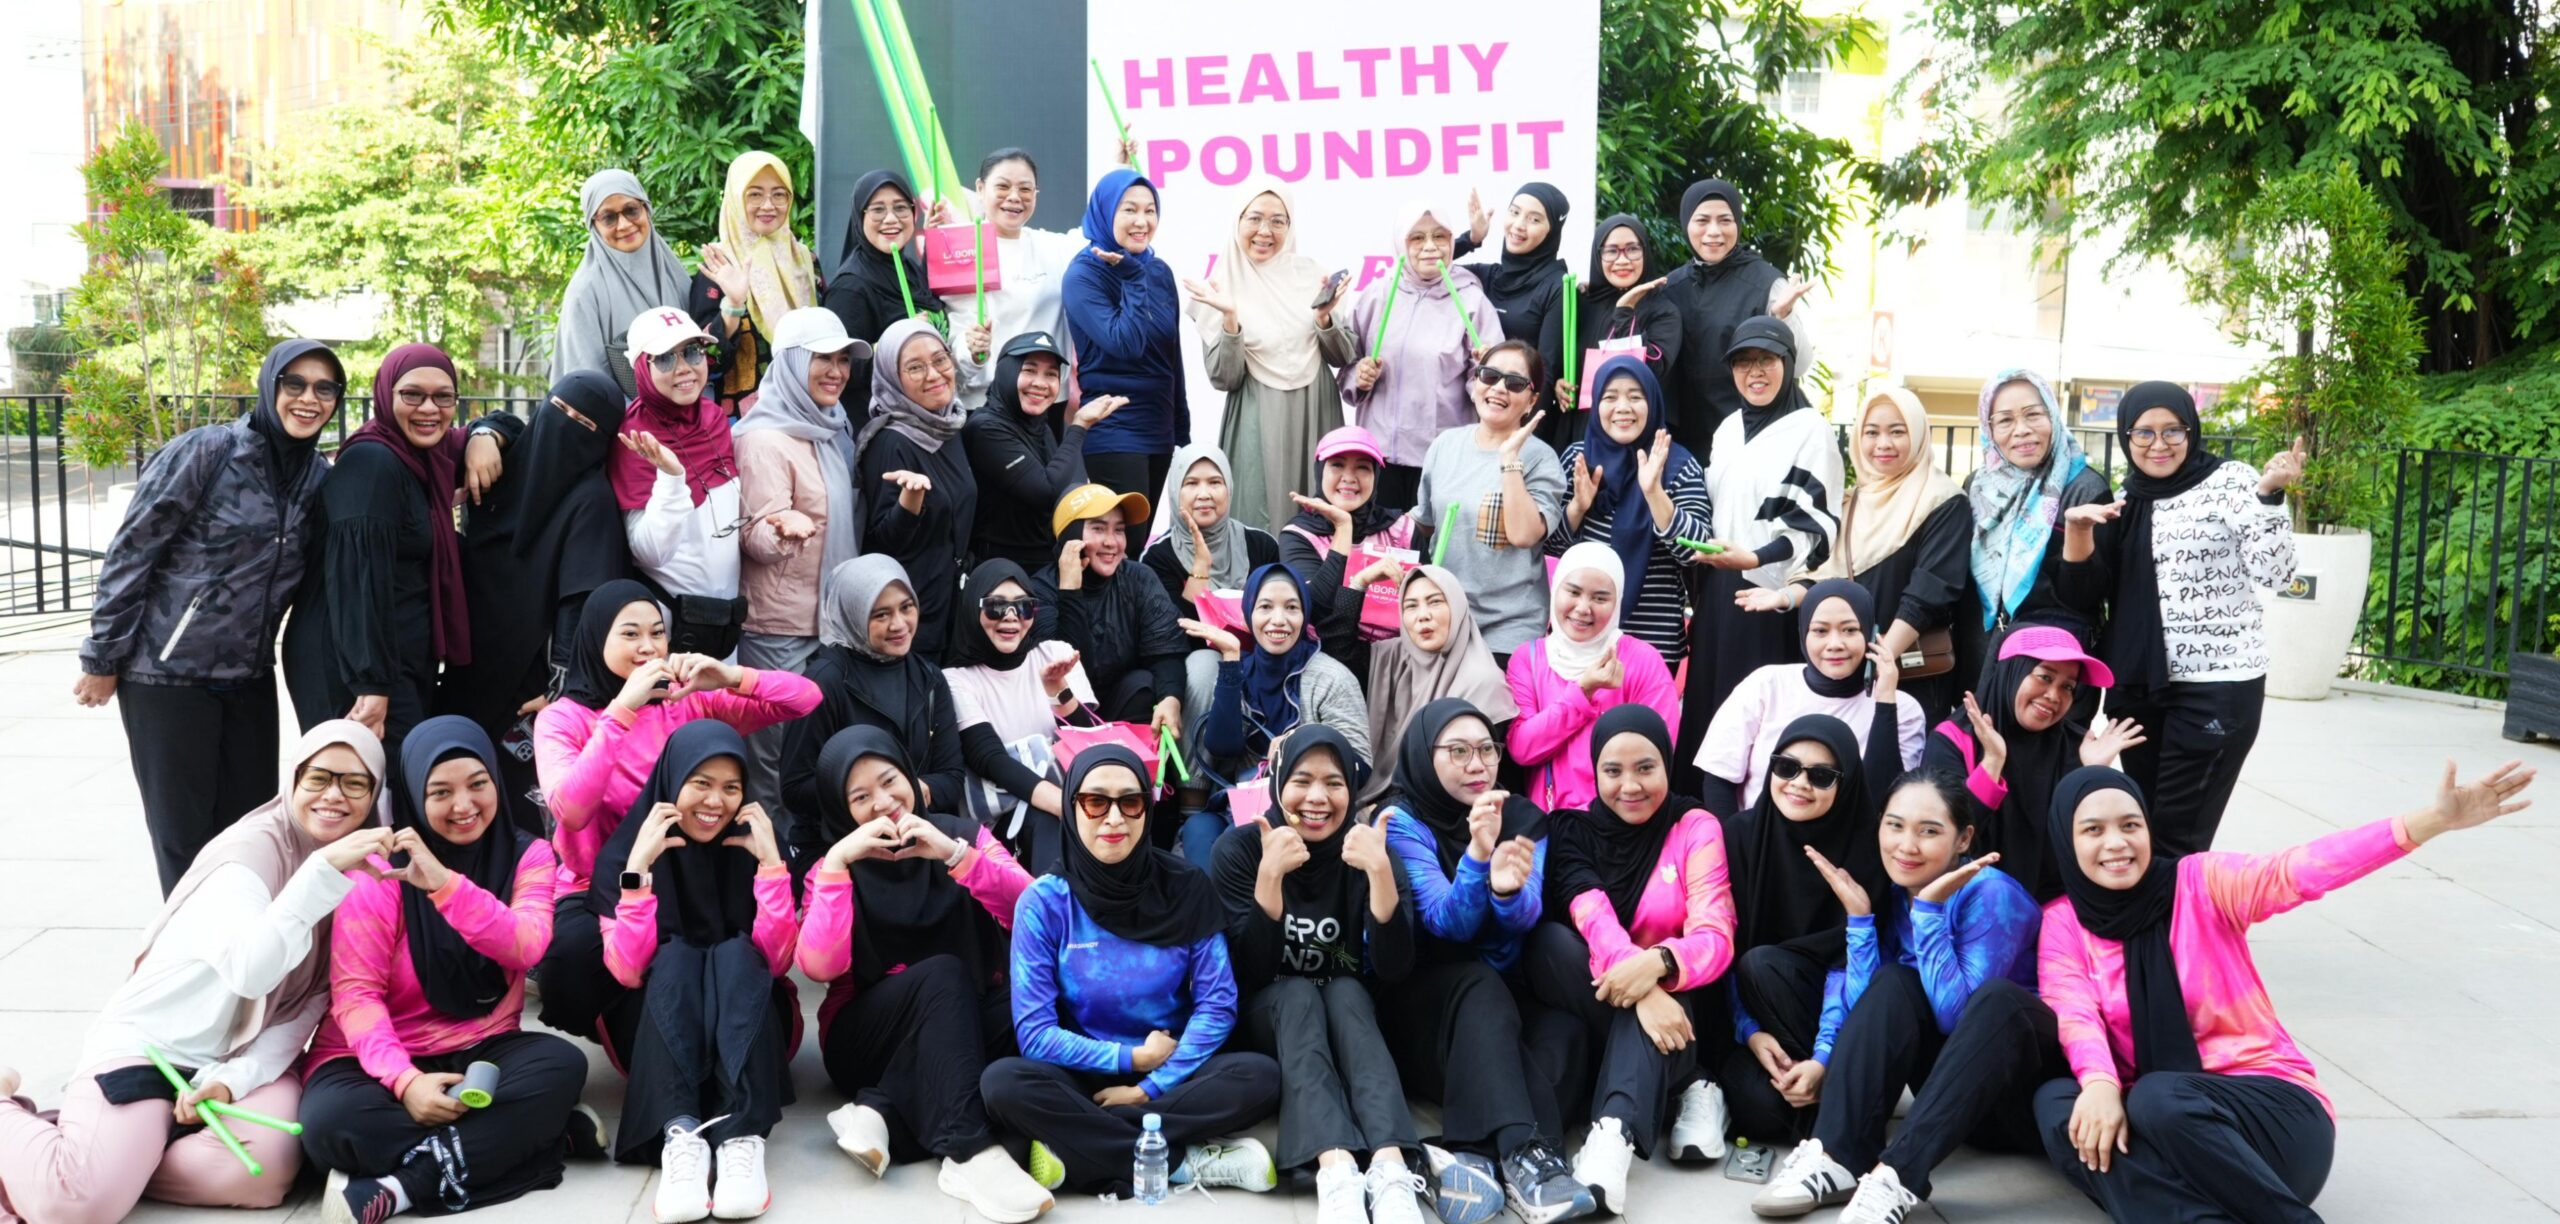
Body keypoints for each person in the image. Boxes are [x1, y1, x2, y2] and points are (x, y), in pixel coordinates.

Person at [2032, 760, 2536, 1222]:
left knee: (2158, 1096)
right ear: (2066, 842)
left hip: (2274, 1126)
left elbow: (2302, 869)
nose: (2117, 843)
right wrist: (2100, 1082)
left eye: (2130, 825)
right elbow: (2073, 1011)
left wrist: (2429, 822)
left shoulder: (2201, 884)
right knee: (2058, 1102)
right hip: (2175, 1137)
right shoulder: (2064, 923)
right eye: (2093, 830)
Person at [0, 722, 395, 1223]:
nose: (333, 795)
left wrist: (231, 1080)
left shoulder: (360, 875)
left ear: (374, 795)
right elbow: (251, 972)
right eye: (318, 778)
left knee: (262, 1176)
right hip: (154, 1047)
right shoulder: (245, 859)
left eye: (355, 783)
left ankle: (117, 1155)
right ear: (293, 781)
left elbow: (303, 1014)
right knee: (75, 1205)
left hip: (240, 1057)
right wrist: (319, 873)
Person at [299, 717, 593, 1221]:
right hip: (372, 1059)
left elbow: (526, 946)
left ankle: (403, 1185)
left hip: (480, 1045)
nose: (464, 805)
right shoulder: (379, 869)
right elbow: (357, 995)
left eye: (478, 784)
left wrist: (443, 885)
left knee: (561, 1065)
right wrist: (405, 1082)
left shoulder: (528, 856)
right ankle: (534, 1139)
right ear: (415, 794)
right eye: (440, 792)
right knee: (330, 1125)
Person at [77, 338, 342, 893]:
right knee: (184, 839)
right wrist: (102, 657)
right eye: (294, 384)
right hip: (168, 678)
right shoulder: (209, 450)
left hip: (249, 678)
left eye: (325, 388)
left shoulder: (316, 476)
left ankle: (240, 941)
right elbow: (132, 552)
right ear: (269, 387)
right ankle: (187, 944)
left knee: (249, 835)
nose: (309, 399)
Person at [1749, 769, 2055, 1223]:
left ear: (1963, 839)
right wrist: (1859, 921)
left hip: (2014, 1099)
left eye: (1929, 831)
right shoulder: (1896, 891)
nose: (1906, 845)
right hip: (1948, 1102)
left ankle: (1897, 1176)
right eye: (1895, 825)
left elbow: (1957, 1017)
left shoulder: (1991, 893)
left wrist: (1929, 913)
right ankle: (1836, 1156)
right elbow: (1867, 1001)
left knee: (1996, 999)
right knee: (1892, 980)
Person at [979, 746, 1283, 1198]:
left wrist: (1149, 1086)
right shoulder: (1044, 903)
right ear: (1072, 807)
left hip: (1172, 1068)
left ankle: (1079, 1146)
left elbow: (1218, 1005)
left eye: (1131, 802)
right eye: (1095, 802)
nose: (1114, 818)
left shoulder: (1185, 887)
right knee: (1002, 1084)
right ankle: (1181, 1161)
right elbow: (1036, 1035)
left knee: (1260, 1077)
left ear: (1147, 808)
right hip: (1083, 1070)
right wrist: (1132, 1059)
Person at [531, 581, 820, 1041]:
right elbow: (571, 811)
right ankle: (625, 1028)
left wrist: (730, 677)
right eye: (630, 634)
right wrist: (623, 710)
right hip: (599, 886)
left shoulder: (688, 698)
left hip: (694, 875)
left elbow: (806, 698)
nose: (648, 647)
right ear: (596, 639)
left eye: (657, 633)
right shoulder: (563, 719)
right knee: (569, 967)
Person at [794, 727, 1055, 1223]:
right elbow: (819, 965)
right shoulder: (830, 866)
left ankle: (882, 1111)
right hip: (866, 1038)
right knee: (942, 975)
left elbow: (1035, 913)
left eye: (890, 780)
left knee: (1037, 1006)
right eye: (860, 797)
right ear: (840, 808)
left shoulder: (963, 835)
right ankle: (969, 1151)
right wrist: (839, 861)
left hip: (961, 1022)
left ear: (910, 776)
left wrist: (955, 856)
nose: (883, 802)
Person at [1373, 699, 1596, 1224]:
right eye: (1458, 751)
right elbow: (1444, 922)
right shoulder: (1400, 822)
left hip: (1500, 1010)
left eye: (1487, 750)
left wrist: (1506, 891)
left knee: (1566, 1033)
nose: (1478, 764)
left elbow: (1526, 917)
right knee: (1478, 982)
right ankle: (1525, 1158)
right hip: (1428, 1009)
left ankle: (1474, 1158)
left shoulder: (1521, 816)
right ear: (1425, 755)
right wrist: (1476, 858)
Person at [2059, 381, 2301, 855]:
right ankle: (2153, 906)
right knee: (2143, 826)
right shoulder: (2125, 500)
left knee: (2177, 837)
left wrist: (2269, 495)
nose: (2159, 444)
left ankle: (2175, 906)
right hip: (2139, 691)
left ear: (2191, 430)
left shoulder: (2231, 481)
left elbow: (2277, 573)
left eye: (2173, 430)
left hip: (2217, 687)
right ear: (2126, 437)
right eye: (2143, 433)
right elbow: (2083, 594)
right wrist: (2078, 530)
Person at [1209, 727, 1432, 1224]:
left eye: (1334, 783)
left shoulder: (1367, 849)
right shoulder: (1240, 849)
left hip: (1349, 1018)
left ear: (1351, 790)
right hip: (1270, 1017)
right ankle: (1336, 1172)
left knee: (1347, 988)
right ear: (1278, 783)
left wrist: (1380, 877)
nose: (1317, 797)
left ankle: (1391, 1169)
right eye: (1302, 780)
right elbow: (1247, 973)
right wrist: (1270, 879)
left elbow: (1395, 970)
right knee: (1296, 994)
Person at [1523, 706, 1735, 1215]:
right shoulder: (1572, 828)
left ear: (1667, 765)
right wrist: (1644, 993)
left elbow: (1716, 933)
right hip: (1613, 999)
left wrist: (1658, 964)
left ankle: (1611, 1140)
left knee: (1667, 998)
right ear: (1595, 772)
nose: (1630, 786)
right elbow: (1591, 916)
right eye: (1613, 771)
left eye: (1646, 767)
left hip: (1684, 1004)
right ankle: (1692, 1082)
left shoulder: (1694, 826)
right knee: (1551, 943)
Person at [591, 723, 799, 1223]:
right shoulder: (627, 852)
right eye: (700, 783)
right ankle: (680, 1135)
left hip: (748, 1023)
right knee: (676, 956)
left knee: (737, 954)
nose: (715, 802)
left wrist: (771, 867)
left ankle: (740, 1135)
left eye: (731, 787)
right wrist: (639, 872)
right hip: (661, 1029)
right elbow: (628, 970)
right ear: (671, 781)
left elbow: (777, 962)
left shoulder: (757, 845)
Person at [284, 343, 510, 754]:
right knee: (364, 782)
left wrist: (483, 435)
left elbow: (515, 425)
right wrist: (371, 684)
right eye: (412, 394)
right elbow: (357, 582)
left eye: (443, 397)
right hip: (351, 664)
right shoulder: (371, 464)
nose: (429, 408)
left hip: (397, 657)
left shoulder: (427, 457)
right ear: (386, 395)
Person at [439, 369, 631, 827]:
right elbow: (504, 423)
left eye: (585, 425)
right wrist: (484, 432)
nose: (565, 426)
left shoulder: (590, 501)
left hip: (529, 676)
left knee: (513, 802)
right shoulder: (504, 463)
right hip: (469, 661)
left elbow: (580, 600)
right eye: (559, 409)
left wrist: (563, 690)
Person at [1714, 714, 1894, 1146]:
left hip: (1839, 1021)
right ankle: (1826, 1105)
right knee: (1759, 1109)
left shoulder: (1869, 852)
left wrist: (1824, 1057)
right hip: (1761, 1022)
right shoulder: (1739, 837)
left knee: (1762, 964)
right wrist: (1750, 1033)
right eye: (1787, 767)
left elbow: (1859, 975)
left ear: (1845, 784)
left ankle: (1834, 1093)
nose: (1799, 784)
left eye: (1821, 776)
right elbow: (1722, 949)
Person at [1747, 387, 1970, 725]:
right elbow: (1825, 574)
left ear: (1918, 434)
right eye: (1872, 432)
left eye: (1898, 432)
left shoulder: (1943, 501)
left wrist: (1880, 661)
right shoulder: (1851, 502)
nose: (1883, 444)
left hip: (1907, 674)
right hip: (1846, 669)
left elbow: (1929, 593)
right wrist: (1783, 597)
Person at [1679, 317, 1842, 770]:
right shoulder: (1728, 428)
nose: (1755, 372)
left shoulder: (1811, 429)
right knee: (1709, 710)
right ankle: (1701, 808)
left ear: (1788, 363)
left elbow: (1814, 524)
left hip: (1771, 598)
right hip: (1717, 592)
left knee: (1756, 718)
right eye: (1743, 361)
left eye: (1767, 359)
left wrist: (1753, 558)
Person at [732, 307, 870, 811]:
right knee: (774, 757)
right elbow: (752, 537)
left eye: (843, 360)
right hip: (779, 629)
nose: (837, 371)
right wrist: (782, 532)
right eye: (822, 359)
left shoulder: (832, 427)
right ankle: (771, 852)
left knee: (819, 752)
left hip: (830, 623)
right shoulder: (763, 439)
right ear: (791, 363)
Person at [779, 557, 983, 878]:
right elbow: (794, 789)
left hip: (916, 839)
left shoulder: (928, 678)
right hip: (839, 847)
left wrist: (908, 793)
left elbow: (951, 778)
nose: (899, 624)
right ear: (854, 615)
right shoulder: (823, 683)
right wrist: (870, 799)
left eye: (906, 607)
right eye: (881, 614)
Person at [1923, 622, 2143, 902]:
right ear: (2011, 672)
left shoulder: (2077, 745)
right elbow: (1944, 838)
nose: (2054, 696)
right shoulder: (1953, 739)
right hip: (1971, 902)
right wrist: (1992, 763)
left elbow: (2090, 846)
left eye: (2067, 687)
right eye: (2044, 677)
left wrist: (2091, 774)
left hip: (2057, 907)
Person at [1182, 181, 1357, 530]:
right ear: (1238, 220)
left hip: (1315, 407)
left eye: (1278, 221)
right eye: (1255, 218)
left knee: (1319, 514)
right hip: (1256, 412)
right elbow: (1224, 378)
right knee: (1258, 517)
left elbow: (1343, 355)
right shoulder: (1219, 284)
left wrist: (1324, 319)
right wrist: (1230, 319)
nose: (1265, 231)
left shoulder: (1310, 274)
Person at [1177, 564, 1373, 865]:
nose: (1279, 620)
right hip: (1245, 804)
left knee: (1237, 848)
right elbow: (1222, 747)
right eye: (1265, 607)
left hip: (1310, 808)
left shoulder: (1332, 678)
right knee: (1198, 830)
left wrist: (1301, 748)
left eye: (1292, 607)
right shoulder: (1240, 669)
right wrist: (1230, 660)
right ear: (1248, 613)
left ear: (1304, 614)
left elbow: (1362, 767)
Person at [1694, 580, 1926, 816]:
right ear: (1803, 632)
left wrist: (1885, 703)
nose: (1835, 644)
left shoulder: (1901, 708)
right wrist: (1736, 837)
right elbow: (1718, 779)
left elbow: (1886, 802)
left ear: (1871, 634)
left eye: (1850, 630)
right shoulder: (1765, 685)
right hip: (1757, 835)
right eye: (1820, 631)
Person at [1547, 356, 1711, 667]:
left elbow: (1697, 551)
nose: (1623, 407)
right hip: (1580, 636)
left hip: (1653, 642)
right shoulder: (1577, 460)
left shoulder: (1677, 465)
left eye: (1635, 397)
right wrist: (1578, 507)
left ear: (1653, 403)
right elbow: (1551, 549)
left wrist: (1654, 494)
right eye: (1610, 397)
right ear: (1596, 404)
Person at [1339, 202, 1506, 507]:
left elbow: (1492, 385)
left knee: (1431, 537)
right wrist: (1359, 377)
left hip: (1441, 458)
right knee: (1380, 537)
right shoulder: (1377, 295)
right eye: (1417, 238)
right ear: (1400, 242)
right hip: (1377, 457)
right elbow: (1347, 365)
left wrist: (1486, 374)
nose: (1430, 246)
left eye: (1440, 236)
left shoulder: (1471, 301)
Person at [1412, 339, 1569, 657]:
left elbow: (1524, 535)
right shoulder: (1445, 445)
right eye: (1490, 375)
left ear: (1532, 400)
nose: (1499, 388)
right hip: (1445, 618)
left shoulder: (1541, 458)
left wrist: (1509, 458)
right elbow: (1425, 524)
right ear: (1475, 382)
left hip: (1509, 626)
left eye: (1515, 383)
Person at [611, 308, 749, 659]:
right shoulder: (633, 436)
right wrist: (672, 478)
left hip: (723, 623)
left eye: (692, 352)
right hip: (672, 633)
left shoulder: (714, 418)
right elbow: (650, 553)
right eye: (665, 358)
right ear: (641, 368)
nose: (685, 368)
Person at [1959, 369, 2111, 680]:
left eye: (2033, 415)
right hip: (1980, 658)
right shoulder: (1978, 486)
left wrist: (2077, 533)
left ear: (2052, 415)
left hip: (2051, 671)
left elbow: (2086, 598)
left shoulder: (2084, 490)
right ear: (1989, 428)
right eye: (2005, 420)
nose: (2022, 430)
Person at [1506, 544, 1680, 813]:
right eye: (1573, 592)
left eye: (1600, 598)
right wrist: (1583, 692)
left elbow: (1657, 754)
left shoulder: (1642, 661)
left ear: (1617, 602)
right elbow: (1522, 748)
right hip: (1551, 823)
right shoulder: (1528, 658)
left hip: (1620, 821)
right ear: (1555, 589)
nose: (1583, 608)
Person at [945, 558, 1092, 874]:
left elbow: (1089, 743)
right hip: (1006, 817)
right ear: (972, 608)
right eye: (996, 607)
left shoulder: (1057, 653)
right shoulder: (956, 679)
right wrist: (1065, 806)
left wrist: (1058, 690)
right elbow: (990, 759)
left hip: (1076, 801)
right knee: (1046, 821)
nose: (1011, 616)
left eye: (1023, 607)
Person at [1654, 179, 1810, 459]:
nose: (1714, 231)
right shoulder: (1670, 287)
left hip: (1751, 441)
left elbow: (1799, 366)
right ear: (1686, 224)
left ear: (1737, 223)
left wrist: (1783, 317)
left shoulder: (1766, 283)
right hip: (1683, 448)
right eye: (1702, 220)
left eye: (1725, 220)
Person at [854, 319, 978, 658]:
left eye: (940, 360)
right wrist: (911, 502)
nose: (934, 375)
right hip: (912, 616)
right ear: (892, 378)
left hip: (953, 604)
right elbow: (882, 543)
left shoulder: (948, 425)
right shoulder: (891, 441)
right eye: (915, 367)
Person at [1062, 168, 1188, 499]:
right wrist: (1132, 278)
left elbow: (1171, 357)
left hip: (1159, 427)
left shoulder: (1159, 271)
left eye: (1150, 210)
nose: (1142, 221)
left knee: (1143, 529)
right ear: (1106, 212)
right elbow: (1126, 344)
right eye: (1129, 209)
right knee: (1124, 531)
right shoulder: (1083, 275)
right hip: (1113, 426)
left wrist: (1181, 429)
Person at [1029, 484, 1190, 734]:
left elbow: (1165, 652)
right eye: (1098, 528)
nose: (1112, 542)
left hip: (1120, 703)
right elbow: (1068, 674)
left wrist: (1171, 699)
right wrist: (1070, 590)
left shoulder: (1139, 578)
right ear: (1071, 534)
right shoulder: (1039, 590)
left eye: (1119, 530)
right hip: (1061, 712)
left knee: (1143, 684)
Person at [964, 331, 1123, 571]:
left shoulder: (1041, 426)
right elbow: (1046, 493)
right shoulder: (985, 427)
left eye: (1051, 374)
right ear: (1007, 372)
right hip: (1003, 570)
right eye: (1029, 370)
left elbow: (1073, 488)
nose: (1040, 383)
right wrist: (1079, 426)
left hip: (1047, 563)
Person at [1361, 566, 1519, 806]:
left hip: (1443, 808)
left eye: (1434, 602)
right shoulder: (1393, 657)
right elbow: (1339, 649)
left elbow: (1472, 774)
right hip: (1379, 799)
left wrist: (1391, 812)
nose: (1423, 615)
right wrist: (1359, 583)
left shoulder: (1484, 683)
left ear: (1457, 607)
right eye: (1411, 606)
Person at [945, 148, 1089, 410]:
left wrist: (1121, 166)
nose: (1014, 197)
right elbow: (958, 336)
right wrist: (973, 351)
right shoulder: (962, 248)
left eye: (1025, 189)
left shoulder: (1055, 247)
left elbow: (1102, 225)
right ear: (980, 188)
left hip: (1048, 402)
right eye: (1003, 186)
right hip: (988, 404)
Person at [1277, 425, 1417, 684]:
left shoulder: (1403, 529)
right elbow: (1316, 608)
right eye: (1337, 465)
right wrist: (1343, 527)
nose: (1349, 477)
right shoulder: (1298, 534)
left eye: (1362, 467)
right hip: (1323, 662)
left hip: (1399, 662)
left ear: (1376, 476)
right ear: (1320, 471)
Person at [688, 151, 820, 415]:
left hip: (809, 408)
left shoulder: (805, 260)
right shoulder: (719, 264)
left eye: (779, 194)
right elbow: (702, 360)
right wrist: (733, 305)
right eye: (755, 194)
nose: (768, 205)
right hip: (746, 418)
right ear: (736, 199)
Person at [1455, 183, 1572, 441]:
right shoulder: (1487, 276)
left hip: (1521, 431)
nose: (1519, 225)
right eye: (1515, 212)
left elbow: (1546, 374)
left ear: (1552, 230)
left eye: (1534, 219)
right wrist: (1471, 239)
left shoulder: (1557, 287)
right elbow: (1427, 265)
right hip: (1476, 425)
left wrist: (1520, 439)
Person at [556, 169, 692, 391]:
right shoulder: (585, 293)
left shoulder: (672, 272)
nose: (624, 225)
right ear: (593, 225)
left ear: (646, 209)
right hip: (621, 412)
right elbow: (586, 384)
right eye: (609, 218)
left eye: (631, 210)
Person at [1544, 214, 1679, 419]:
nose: (1622, 260)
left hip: (1630, 427)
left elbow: (1654, 370)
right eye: (1611, 251)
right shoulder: (1582, 302)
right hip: (1578, 428)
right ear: (1597, 255)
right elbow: (1559, 360)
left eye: (1632, 249)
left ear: (1645, 252)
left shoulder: (1663, 311)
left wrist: (1625, 312)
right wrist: (1559, 383)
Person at [1142, 443, 1281, 619]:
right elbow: (1169, 629)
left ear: (1229, 488)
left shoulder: (1262, 545)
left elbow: (1280, 612)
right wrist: (1201, 566)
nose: (1204, 494)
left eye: (1215, 482)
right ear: (1175, 491)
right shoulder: (1157, 557)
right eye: (1191, 483)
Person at [824, 170, 946, 357]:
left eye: (901, 208)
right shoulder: (849, 289)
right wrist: (898, 339)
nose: (891, 219)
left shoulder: (908, 268)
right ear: (859, 217)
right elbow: (842, 364)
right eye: (878, 210)